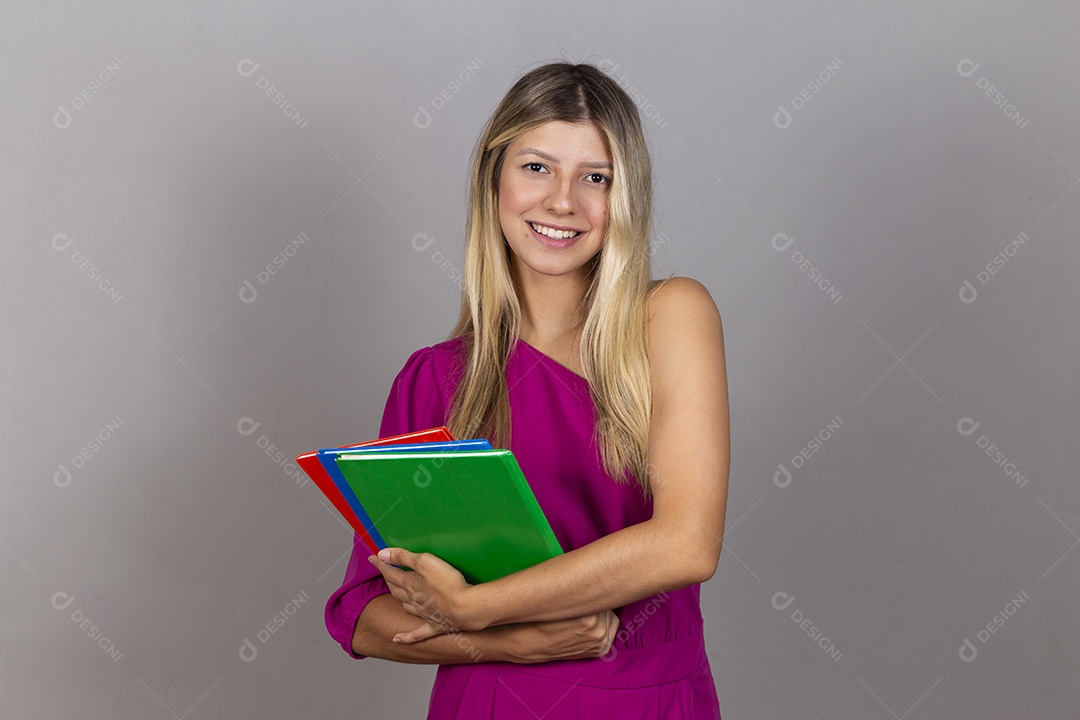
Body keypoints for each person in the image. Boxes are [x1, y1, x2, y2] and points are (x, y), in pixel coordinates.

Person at [325, 60, 729, 719]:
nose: (563, 201)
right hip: (489, 701)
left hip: (647, 700)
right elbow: (361, 612)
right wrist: (508, 643)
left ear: (623, 196)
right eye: (537, 167)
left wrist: (475, 608)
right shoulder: (433, 378)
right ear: (494, 179)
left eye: (595, 177)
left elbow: (687, 542)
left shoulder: (671, 317)